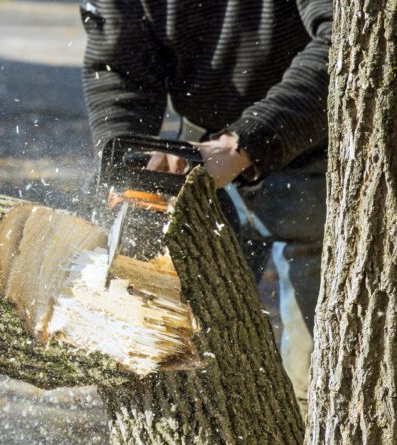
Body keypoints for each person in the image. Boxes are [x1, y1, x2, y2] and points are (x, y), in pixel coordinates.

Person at [81, 0, 332, 409]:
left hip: (316, 146)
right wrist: (127, 160)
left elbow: (343, 41)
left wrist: (247, 142)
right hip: (202, 145)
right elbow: (119, 64)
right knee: (195, 370)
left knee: (321, 374)